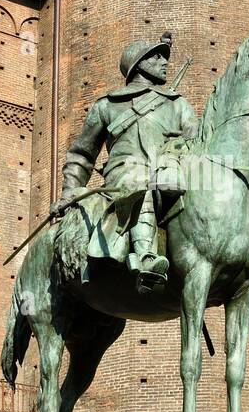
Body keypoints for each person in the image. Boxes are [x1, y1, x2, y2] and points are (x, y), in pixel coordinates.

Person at [52, 31, 198, 292]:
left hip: (172, 169)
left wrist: (179, 146)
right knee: (141, 179)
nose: (165, 63)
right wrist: (69, 192)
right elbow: (82, 155)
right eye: (158, 58)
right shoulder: (107, 106)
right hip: (127, 171)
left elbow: (196, 141)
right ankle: (145, 259)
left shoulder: (178, 105)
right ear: (139, 63)